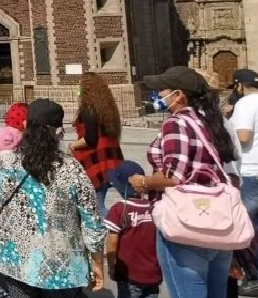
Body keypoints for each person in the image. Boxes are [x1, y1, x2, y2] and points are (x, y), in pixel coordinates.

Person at [132, 66, 241, 298]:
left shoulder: (176, 123)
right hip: (218, 220)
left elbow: (174, 176)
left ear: (178, 95)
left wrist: (143, 182)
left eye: (162, 90)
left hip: (187, 222)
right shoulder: (210, 121)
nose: (159, 95)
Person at [0, 99, 105, 297]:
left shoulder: (4, 163)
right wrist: (97, 261)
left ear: (25, 126)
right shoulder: (72, 169)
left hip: (17, 263)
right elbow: (92, 221)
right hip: (63, 268)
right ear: (59, 133)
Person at [230, 68, 258, 294]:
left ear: (239, 85)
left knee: (237, 223)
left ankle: (239, 271)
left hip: (252, 170)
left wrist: (226, 131)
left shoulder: (245, 104)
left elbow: (244, 136)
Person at [68, 72, 125, 216]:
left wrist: (72, 145)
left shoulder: (88, 109)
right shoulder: (106, 108)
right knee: (100, 199)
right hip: (109, 156)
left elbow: (90, 138)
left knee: (98, 206)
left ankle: (111, 226)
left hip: (95, 159)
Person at [104, 161, 162, 298]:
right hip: (152, 274)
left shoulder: (119, 209)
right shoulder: (155, 208)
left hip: (128, 275)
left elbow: (112, 241)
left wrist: (111, 265)